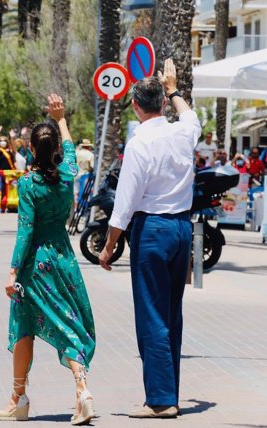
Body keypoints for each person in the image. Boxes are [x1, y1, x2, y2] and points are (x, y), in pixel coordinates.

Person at [98, 59, 201, 418]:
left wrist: (109, 245)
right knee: (172, 313)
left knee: (152, 315)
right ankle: (168, 392)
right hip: (182, 229)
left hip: (153, 230)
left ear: (136, 106)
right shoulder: (182, 132)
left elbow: (125, 201)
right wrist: (173, 89)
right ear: (161, 102)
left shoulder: (140, 142)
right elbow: (191, 117)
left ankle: (160, 400)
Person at [0, 94, 96, 425]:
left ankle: (18, 398)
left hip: (33, 266)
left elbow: (25, 232)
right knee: (67, 324)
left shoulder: (28, 185)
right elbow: (68, 149)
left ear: (30, 150)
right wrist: (62, 118)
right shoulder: (67, 174)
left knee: (22, 326)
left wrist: (12, 272)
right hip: (63, 258)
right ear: (52, 149)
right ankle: (82, 391)